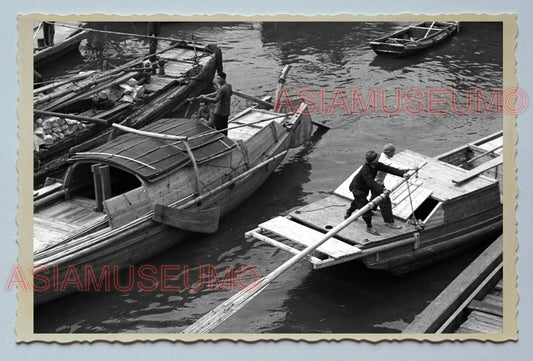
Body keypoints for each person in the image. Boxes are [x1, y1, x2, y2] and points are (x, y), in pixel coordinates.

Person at [345, 150, 414, 236]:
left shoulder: (376, 165)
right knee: (365, 209)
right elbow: (371, 182)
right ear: (373, 161)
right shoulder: (365, 170)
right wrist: (382, 190)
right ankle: (369, 227)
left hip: (364, 188)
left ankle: (348, 213)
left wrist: (402, 174)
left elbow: (388, 168)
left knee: (357, 202)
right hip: (357, 189)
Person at [199, 72, 232, 136]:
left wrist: (206, 97)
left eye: (218, 79)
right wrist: (206, 95)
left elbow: (215, 100)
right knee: (224, 130)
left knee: (218, 131)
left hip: (219, 113)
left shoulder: (222, 88)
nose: (217, 80)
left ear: (223, 79)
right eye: (217, 78)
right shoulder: (229, 86)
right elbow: (228, 93)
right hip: (226, 112)